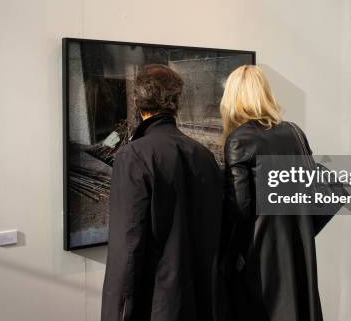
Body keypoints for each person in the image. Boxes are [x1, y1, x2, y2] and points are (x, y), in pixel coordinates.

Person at [101, 64, 224, 321]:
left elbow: (127, 246)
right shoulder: (203, 155)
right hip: (201, 301)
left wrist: (115, 313)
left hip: (155, 303)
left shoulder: (134, 155)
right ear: (176, 101)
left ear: (136, 100)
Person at [220, 65, 329, 321]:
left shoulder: (238, 140)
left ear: (232, 98)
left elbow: (240, 209)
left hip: (261, 253)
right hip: (298, 244)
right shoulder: (294, 132)